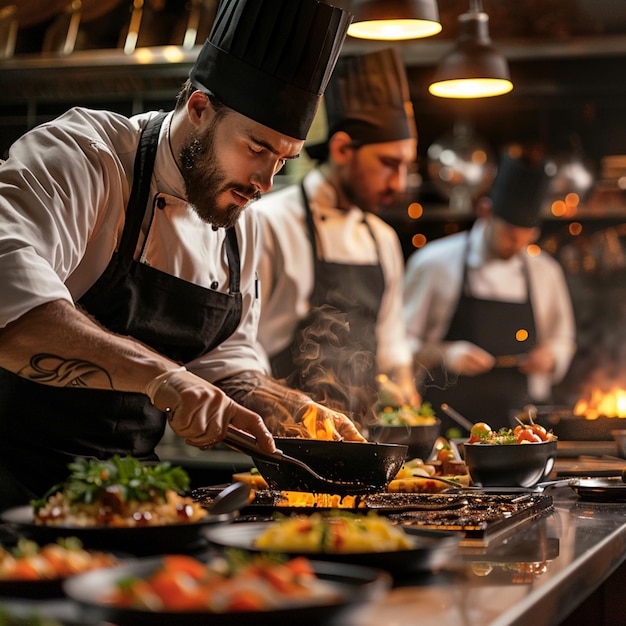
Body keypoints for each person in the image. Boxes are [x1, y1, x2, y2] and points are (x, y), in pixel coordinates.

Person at [0, 0, 366, 510]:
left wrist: (295, 411)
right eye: (257, 148)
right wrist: (163, 376)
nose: (265, 182)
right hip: (13, 487)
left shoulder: (243, 223)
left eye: (284, 160)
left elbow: (227, 364)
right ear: (198, 108)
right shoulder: (86, 157)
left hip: (133, 497)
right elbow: (9, 303)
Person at [252, 47, 421, 431]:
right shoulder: (270, 223)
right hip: (282, 439)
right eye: (388, 164)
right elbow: (240, 348)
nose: (398, 184)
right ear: (343, 149)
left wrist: (405, 394)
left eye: (406, 166)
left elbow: (391, 344)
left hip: (363, 439)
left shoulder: (383, 238)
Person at [404, 152, 577, 433]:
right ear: (485, 211)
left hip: (521, 426)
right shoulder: (434, 262)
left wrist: (553, 356)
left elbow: (563, 340)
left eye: (526, 239)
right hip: (448, 424)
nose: (517, 247)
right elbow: (398, 343)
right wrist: (446, 353)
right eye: (510, 235)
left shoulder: (546, 272)